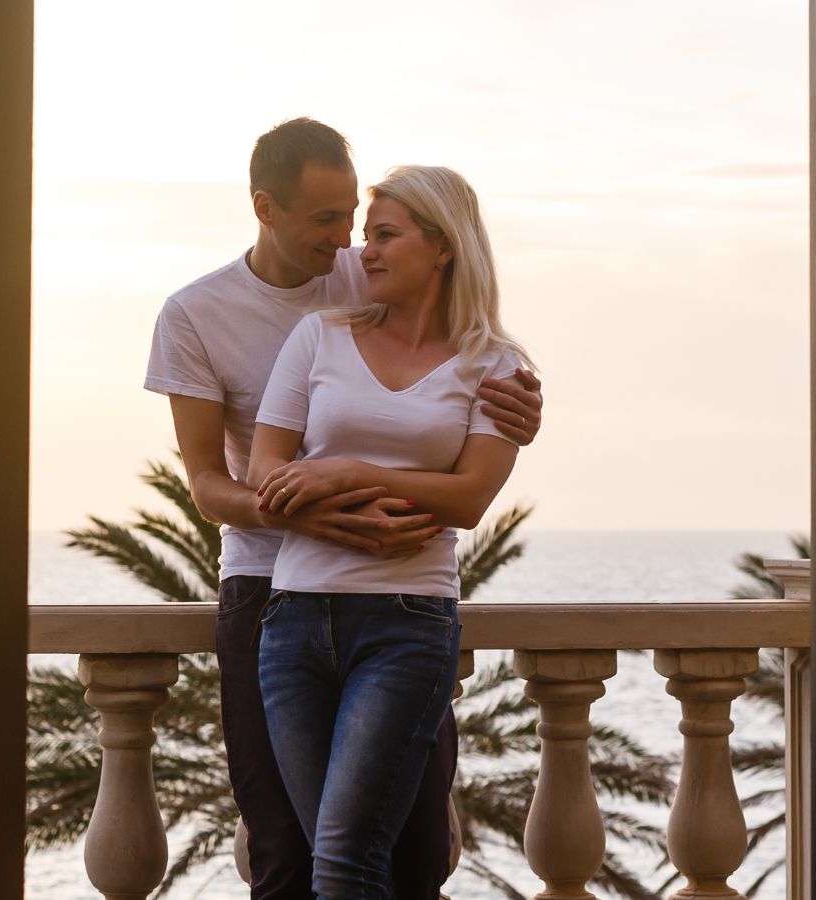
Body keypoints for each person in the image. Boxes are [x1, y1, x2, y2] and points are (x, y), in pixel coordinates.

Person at [145, 118, 542, 900]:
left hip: (399, 600)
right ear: (266, 208)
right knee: (289, 852)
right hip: (269, 589)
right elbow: (207, 484)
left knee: (419, 843)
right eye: (326, 221)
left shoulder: (372, 273)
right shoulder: (197, 315)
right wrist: (304, 513)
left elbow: (465, 346)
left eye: (356, 218)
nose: (348, 242)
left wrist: (520, 412)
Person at [246, 164, 534, 898]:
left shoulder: (494, 365)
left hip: (407, 625)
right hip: (293, 621)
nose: (362, 252)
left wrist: (341, 471)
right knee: (333, 865)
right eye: (366, 236)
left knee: (344, 863)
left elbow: (469, 498)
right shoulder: (318, 337)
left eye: (383, 235)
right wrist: (330, 502)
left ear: (443, 246)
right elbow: (265, 471)